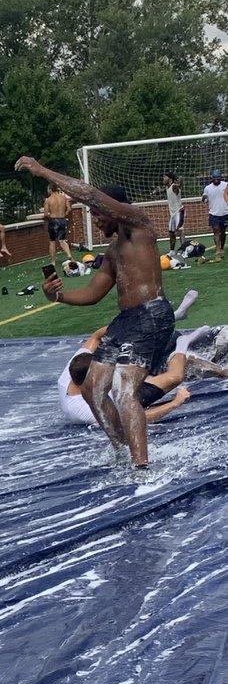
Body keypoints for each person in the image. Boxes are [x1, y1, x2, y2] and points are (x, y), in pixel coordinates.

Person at [16, 156, 175, 469]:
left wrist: (42, 171)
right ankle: (123, 449)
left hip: (151, 314)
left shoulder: (138, 224)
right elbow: (93, 293)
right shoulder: (113, 251)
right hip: (128, 320)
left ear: (114, 209)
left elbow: (88, 193)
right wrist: (57, 296)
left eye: (98, 213)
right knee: (91, 387)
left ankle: (141, 467)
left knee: (125, 390)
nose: (95, 220)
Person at [56, 324, 226, 427]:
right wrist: (176, 402)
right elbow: (133, 419)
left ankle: (181, 351)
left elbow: (96, 336)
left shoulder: (71, 371)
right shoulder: (85, 409)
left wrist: (133, 328)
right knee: (174, 377)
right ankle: (183, 347)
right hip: (124, 398)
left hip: (115, 389)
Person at [42, 183, 74, 268]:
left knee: (52, 241)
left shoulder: (48, 200)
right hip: (62, 220)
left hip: (53, 221)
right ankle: (69, 255)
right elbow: (69, 209)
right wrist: (64, 214)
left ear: (50, 189)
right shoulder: (63, 197)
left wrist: (47, 216)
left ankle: (53, 262)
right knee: (62, 240)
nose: (47, 191)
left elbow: (46, 214)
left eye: (48, 189)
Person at [201, 168, 228, 262]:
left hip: (225, 212)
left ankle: (221, 247)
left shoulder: (226, 185)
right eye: (214, 177)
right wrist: (204, 198)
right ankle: (217, 249)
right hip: (214, 213)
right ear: (212, 178)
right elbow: (204, 199)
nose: (216, 179)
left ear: (220, 177)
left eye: (217, 177)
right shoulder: (207, 188)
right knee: (216, 231)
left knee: (222, 232)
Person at [164, 173, 186, 252]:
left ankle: (184, 250)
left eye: (165, 177)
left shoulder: (174, 186)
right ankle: (172, 251)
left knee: (180, 232)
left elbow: (178, 187)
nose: (163, 179)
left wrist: (180, 182)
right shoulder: (167, 187)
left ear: (170, 179)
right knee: (171, 233)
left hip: (179, 212)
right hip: (172, 214)